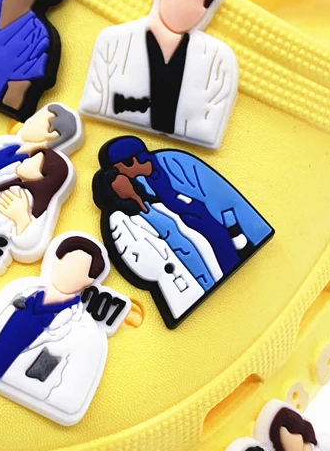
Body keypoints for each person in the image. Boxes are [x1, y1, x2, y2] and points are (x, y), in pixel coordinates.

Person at [0, 234, 129, 425]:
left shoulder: (84, 330)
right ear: (55, 262)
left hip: (17, 414)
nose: (67, 272)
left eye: (77, 270)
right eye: (66, 263)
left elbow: (68, 397)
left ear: (88, 281)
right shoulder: (20, 290)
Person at [92, 135, 274, 325]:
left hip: (219, 232)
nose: (123, 177)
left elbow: (217, 196)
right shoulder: (132, 208)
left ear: (132, 161)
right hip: (192, 271)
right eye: (117, 175)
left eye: (121, 169)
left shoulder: (172, 163)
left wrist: (235, 231)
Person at [80, 0, 236, 149]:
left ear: (206, 10)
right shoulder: (112, 41)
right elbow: (96, 101)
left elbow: (207, 123)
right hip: (106, 138)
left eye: (199, 2)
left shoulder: (218, 60)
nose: (188, 8)